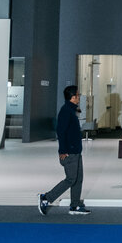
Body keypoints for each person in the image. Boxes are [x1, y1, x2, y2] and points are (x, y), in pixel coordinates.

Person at [38, 85, 89, 216]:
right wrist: (63, 151)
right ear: (73, 97)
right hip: (69, 153)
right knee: (71, 179)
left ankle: (75, 205)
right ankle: (46, 198)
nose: (79, 97)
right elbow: (61, 131)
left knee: (78, 179)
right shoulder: (66, 111)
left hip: (76, 151)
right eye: (77, 95)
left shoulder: (71, 110)